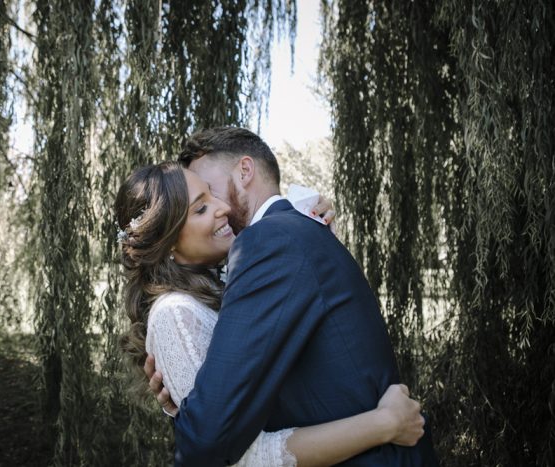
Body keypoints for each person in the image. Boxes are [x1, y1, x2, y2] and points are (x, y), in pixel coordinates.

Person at [143, 127, 439, 466]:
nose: (219, 207)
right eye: (200, 204)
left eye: (210, 191)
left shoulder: (268, 241)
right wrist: (182, 392)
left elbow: (207, 441)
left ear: (245, 170)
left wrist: (187, 415)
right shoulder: (297, 229)